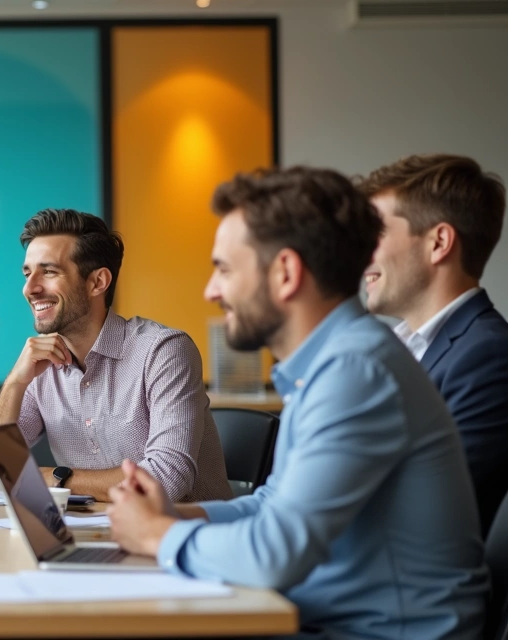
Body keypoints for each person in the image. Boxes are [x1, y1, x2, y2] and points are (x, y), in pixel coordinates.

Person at [107, 166, 487, 640]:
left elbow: (274, 552)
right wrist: (176, 515)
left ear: (285, 273)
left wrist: (155, 536)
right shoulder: (333, 363)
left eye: (224, 268)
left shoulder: (355, 371)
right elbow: (275, 504)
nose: (211, 290)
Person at [0, 208, 230, 502]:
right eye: (27, 273)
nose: (30, 288)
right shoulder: (39, 367)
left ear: (97, 282)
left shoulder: (163, 352)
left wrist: (50, 477)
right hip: (93, 537)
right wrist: (15, 383)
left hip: (180, 539)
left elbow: (166, 481)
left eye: (48, 271)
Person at [359, 154, 508, 535]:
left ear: (439, 242)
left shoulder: (488, 355)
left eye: (375, 235)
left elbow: (431, 512)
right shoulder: (396, 349)